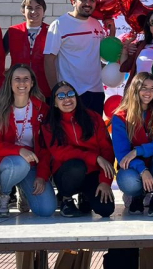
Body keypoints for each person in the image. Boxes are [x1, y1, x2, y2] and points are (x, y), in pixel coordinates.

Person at [0, 63, 56, 217]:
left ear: (32, 83)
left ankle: (24, 189)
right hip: (4, 166)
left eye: (26, 79)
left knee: (46, 209)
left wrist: (42, 176)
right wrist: (19, 150)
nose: (21, 83)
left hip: (32, 166)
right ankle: (4, 195)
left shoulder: (42, 109)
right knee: (19, 163)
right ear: (10, 82)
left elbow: (46, 148)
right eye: (17, 79)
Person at [41, 80, 116, 218]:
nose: (67, 99)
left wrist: (105, 182)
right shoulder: (49, 124)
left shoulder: (93, 117)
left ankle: (86, 196)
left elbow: (107, 149)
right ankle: (66, 199)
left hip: (92, 171)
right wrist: (94, 157)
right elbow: (58, 152)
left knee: (106, 210)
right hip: (68, 172)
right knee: (77, 166)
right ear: (54, 103)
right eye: (61, 96)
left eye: (70, 94)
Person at [112, 72, 153, 216]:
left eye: (152, 88)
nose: (149, 92)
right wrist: (142, 170)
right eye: (144, 87)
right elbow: (122, 155)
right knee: (128, 180)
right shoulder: (120, 117)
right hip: (135, 169)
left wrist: (138, 150)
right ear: (135, 89)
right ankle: (137, 196)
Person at [44, 0, 108, 114]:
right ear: (73, 1)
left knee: (93, 133)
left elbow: (100, 56)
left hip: (96, 92)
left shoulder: (96, 24)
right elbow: (49, 60)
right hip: (71, 94)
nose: (88, 3)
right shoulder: (59, 24)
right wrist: (56, 91)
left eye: (92, 0)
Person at [3, 0, 51, 98]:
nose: (33, 11)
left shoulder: (52, 32)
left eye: (38, 8)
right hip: (17, 87)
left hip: (44, 88)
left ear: (44, 11)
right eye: (29, 8)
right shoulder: (13, 31)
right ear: (23, 11)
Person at [120, 10, 153, 76]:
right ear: (149, 26)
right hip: (140, 85)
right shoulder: (140, 46)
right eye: (152, 22)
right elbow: (124, 68)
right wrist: (125, 49)